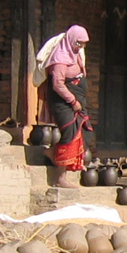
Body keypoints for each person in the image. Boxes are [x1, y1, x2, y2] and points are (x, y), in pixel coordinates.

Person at [40, 25, 92, 171]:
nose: (80, 46)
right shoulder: (60, 58)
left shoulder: (76, 54)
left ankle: (54, 154)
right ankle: (60, 176)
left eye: (83, 44)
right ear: (71, 40)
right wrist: (72, 100)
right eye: (78, 43)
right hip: (62, 102)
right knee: (69, 134)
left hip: (77, 99)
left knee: (84, 133)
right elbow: (57, 84)